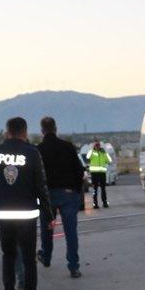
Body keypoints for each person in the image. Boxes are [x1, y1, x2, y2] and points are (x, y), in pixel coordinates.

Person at [0, 117, 54, 290]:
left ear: (7, 132)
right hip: (25, 214)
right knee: (29, 260)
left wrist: (1, 186)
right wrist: (49, 214)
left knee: (8, 254)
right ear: (24, 132)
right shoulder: (32, 152)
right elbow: (41, 186)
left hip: (1, 213)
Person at [37, 116, 84, 278]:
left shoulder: (38, 150)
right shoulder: (68, 147)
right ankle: (73, 266)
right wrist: (76, 190)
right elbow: (79, 171)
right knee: (71, 231)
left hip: (47, 196)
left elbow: (35, 176)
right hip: (68, 195)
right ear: (56, 129)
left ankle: (46, 256)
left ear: (42, 131)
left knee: (47, 228)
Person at [85, 141, 110, 208]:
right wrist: (91, 150)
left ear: (100, 146)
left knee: (103, 189)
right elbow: (87, 157)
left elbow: (109, 160)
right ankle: (95, 204)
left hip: (102, 173)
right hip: (94, 173)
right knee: (95, 189)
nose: (97, 147)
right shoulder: (92, 152)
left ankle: (105, 203)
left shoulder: (103, 153)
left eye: (98, 145)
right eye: (96, 145)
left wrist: (105, 153)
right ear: (94, 146)